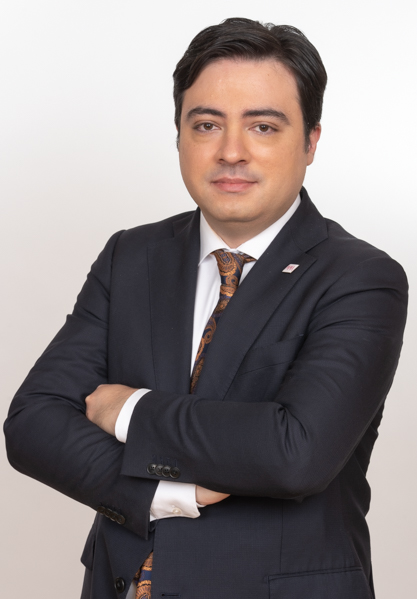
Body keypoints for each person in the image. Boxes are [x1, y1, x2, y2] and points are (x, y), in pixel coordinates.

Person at [4, 17, 408, 599]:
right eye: (207, 125)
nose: (231, 152)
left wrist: (129, 410)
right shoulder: (131, 256)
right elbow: (33, 423)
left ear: (311, 142)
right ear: (179, 136)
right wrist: (161, 492)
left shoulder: (361, 277)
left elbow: (295, 453)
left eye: (263, 126)